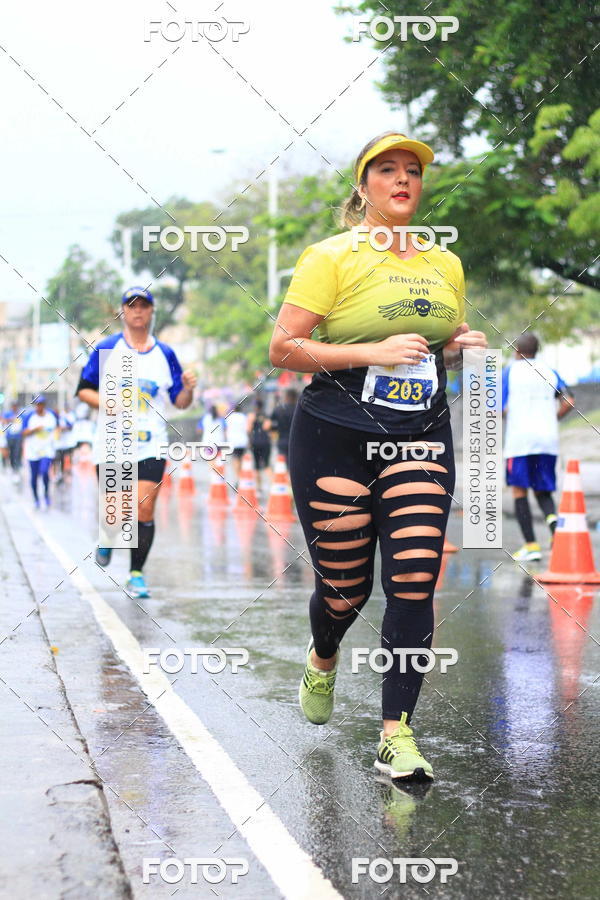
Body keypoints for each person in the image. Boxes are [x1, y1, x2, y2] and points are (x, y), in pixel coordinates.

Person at [269, 131, 487, 781]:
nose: (402, 179)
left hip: (420, 433)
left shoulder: (445, 264)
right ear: (363, 187)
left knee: (415, 578)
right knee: (346, 590)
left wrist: (463, 343)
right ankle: (324, 653)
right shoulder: (329, 257)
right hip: (335, 433)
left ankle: (396, 734)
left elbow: (436, 342)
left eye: (412, 171)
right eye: (386, 169)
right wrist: (372, 352)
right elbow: (284, 347)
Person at [77, 287, 197, 598]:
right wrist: (107, 402)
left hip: (151, 444)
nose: (138, 311)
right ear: (123, 312)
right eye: (132, 306)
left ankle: (136, 574)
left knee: (144, 507)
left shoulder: (165, 354)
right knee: (116, 511)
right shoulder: (106, 349)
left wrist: (188, 389)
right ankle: (108, 537)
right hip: (111, 443)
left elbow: (180, 403)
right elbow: (83, 389)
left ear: (151, 312)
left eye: (144, 306)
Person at [503, 333, 574, 561]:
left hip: (520, 441)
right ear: (537, 350)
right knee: (543, 490)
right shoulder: (548, 370)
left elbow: (497, 406)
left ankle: (531, 546)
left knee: (519, 490)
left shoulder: (510, 371)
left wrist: (511, 416)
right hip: (547, 440)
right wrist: (553, 418)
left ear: (517, 351)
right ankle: (556, 533)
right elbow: (569, 401)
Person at [21, 395, 59, 509]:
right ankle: (36, 498)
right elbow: (23, 433)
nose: (39, 406)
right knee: (34, 476)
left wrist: (56, 439)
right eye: (37, 404)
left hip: (47, 450)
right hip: (33, 451)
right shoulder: (29, 417)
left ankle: (46, 495)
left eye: (41, 404)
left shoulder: (51, 416)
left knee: (44, 471)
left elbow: (57, 427)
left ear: (44, 405)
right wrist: (34, 429)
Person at [247, 397, 272, 491]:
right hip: (265, 442)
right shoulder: (266, 416)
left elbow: (248, 429)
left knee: (256, 465)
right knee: (266, 465)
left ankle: (259, 486)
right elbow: (267, 427)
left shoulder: (251, 416)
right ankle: (274, 484)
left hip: (255, 442)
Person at [269, 389, 298, 462]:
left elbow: (270, 425)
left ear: (286, 397)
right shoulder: (299, 409)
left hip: (282, 440)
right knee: (294, 463)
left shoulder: (278, 410)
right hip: (296, 441)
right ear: (296, 397)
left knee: (282, 462)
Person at [225, 402, 249, 484]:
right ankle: (241, 476)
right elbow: (247, 429)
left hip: (233, 441)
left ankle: (237, 478)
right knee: (241, 459)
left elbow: (226, 429)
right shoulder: (244, 417)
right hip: (243, 440)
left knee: (235, 459)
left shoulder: (230, 417)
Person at [3, 401, 24, 483]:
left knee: (17, 452)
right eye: (13, 406)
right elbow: (4, 421)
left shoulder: (21, 413)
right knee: (11, 453)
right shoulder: (8, 413)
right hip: (10, 437)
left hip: (18, 437)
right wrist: (11, 419)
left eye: (16, 406)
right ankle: (12, 467)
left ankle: (17, 468)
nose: (15, 407)